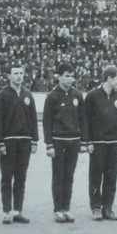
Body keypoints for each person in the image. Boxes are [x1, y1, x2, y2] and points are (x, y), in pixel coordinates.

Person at [0, 63, 38, 225]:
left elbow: (33, 119)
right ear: (9, 76)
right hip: (9, 141)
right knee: (7, 177)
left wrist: (35, 140)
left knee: (21, 177)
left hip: (25, 141)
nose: (18, 76)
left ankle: (18, 210)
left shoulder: (28, 95)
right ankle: (7, 211)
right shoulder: (3, 95)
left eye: (21, 73)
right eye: (15, 73)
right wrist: (0, 142)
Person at [43, 62, 87, 223]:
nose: (70, 79)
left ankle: (66, 208)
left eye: (71, 76)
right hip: (58, 141)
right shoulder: (52, 96)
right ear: (59, 77)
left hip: (74, 141)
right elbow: (47, 122)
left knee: (69, 176)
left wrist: (83, 141)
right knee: (58, 176)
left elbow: (82, 119)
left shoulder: (77, 95)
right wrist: (49, 144)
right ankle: (58, 209)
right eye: (66, 76)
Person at [83, 65, 117, 221]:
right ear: (109, 78)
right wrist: (87, 141)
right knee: (96, 175)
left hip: (114, 142)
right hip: (98, 142)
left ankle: (108, 208)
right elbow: (86, 120)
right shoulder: (92, 96)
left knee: (111, 176)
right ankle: (96, 207)